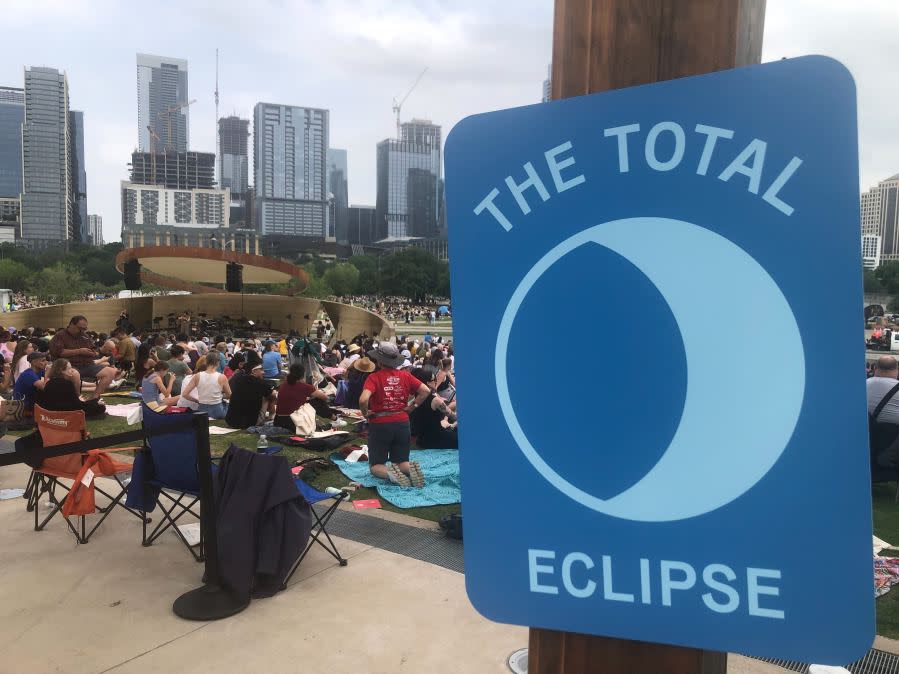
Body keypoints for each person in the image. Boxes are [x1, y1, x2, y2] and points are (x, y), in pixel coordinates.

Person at [358, 342, 430, 488]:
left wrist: (365, 413)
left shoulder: (374, 377)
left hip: (380, 423)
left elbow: (363, 399)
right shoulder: (405, 375)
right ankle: (410, 470)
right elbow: (426, 391)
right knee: (401, 461)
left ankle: (392, 474)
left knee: (376, 465)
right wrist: (412, 406)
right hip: (402, 422)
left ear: (378, 360)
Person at [48, 315, 117, 399]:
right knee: (75, 374)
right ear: (71, 325)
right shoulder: (60, 335)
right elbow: (59, 352)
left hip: (87, 365)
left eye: (84, 329)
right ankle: (77, 399)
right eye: (80, 328)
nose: (82, 331)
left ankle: (95, 398)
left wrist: (93, 353)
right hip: (69, 365)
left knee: (111, 371)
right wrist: (79, 351)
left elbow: (94, 350)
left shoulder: (84, 336)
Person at [36, 358, 106, 419]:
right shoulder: (67, 384)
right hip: (66, 413)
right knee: (101, 407)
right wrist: (94, 402)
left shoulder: (49, 383)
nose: (72, 370)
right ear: (62, 370)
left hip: (53, 411)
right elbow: (77, 405)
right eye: (69, 368)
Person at [409, 366, 458, 449]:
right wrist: (450, 424)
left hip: (422, 439)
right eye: (434, 380)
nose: (436, 382)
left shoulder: (415, 399)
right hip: (436, 438)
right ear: (428, 383)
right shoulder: (435, 400)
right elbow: (454, 417)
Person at [273, 364, 328, 430]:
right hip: (294, 421)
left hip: (278, 420)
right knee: (317, 401)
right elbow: (324, 397)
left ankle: (334, 418)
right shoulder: (306, 387)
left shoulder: (283, 385)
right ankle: (335, 418)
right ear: (302, 375)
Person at [180, 350, 231, 419]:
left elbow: (184, 394)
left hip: (202, 410)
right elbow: (229, 395)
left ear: (206, 362)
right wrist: (220, 396)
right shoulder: (222, 377)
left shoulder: (197, 376)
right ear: (218, 363)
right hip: (218, 411)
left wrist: (197, 400)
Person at [225, 363, 277, 429]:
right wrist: (274, 391)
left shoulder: (238, 380)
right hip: (250, 423)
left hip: (231, 421)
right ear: (253, 371)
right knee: (269, 395)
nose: (263, 372)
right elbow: (273, 395)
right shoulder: (260, 383)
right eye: (261, 370)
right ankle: (271, 417)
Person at [868, 356, 899, 424]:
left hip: (864, 432)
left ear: (875, 368)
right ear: (897, 370)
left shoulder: (862, 384)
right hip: (893, 433)